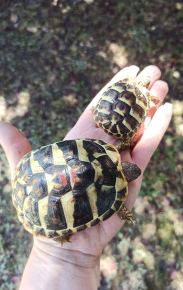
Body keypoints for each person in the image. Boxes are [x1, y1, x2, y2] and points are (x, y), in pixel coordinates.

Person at [0, 65, 173, 289]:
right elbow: (113, 204)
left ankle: (58, 235)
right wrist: (122, 209)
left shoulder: (109, 153)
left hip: (33, 179)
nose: (131, 170)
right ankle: (59, 236)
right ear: (126, 175)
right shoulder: (114, 196)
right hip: (47, 204)